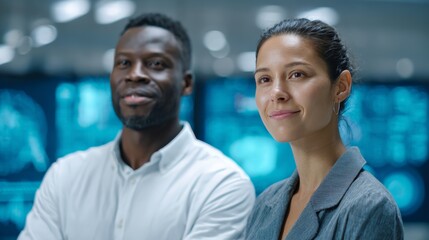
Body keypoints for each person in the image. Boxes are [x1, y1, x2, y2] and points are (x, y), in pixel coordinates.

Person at [19, 13, 255, 240]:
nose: (135, 74)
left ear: (186, 83)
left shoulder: (222, 184)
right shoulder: (66, 176)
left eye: (155, 63)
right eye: (123, 63)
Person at [245, 18, 404, 239]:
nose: (277, 92)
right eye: (264, 79)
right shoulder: (265, 204)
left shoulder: (368, 206)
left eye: (297, 74)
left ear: (341, 86)